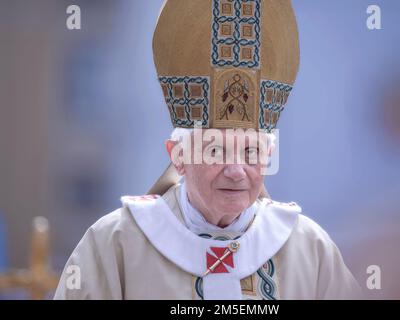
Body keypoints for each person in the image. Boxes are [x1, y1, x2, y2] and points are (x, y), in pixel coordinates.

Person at [54, 0, 360, 300]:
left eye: (251, 152)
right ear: (179, 156)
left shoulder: (309, 249)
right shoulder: (114, 245)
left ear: (267, 157)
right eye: (216, 151)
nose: (237, 171)